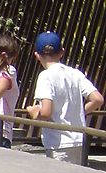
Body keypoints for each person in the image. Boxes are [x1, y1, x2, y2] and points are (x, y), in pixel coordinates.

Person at [23, 30, 103, 163]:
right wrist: (79, 112)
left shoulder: (45, 76)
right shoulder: (75, 73)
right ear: (62, 52)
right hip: (79, 140)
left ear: (36, 55)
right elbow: (98, 99)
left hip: (58, 143)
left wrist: (34, 112)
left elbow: (46, 112)